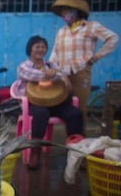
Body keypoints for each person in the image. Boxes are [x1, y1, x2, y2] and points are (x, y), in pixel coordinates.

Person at [49, 0, 119, 134]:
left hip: (81, 73)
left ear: (75, 11)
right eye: (62, 11)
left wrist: (97, 56)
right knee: (64, 109)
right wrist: (52, 70)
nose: (63, 14)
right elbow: (54, 54)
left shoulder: (90, 27)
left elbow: (113, 38)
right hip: (62, 76)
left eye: (66, 11)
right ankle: (68, 142)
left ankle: (79, 142)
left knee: (79, 109)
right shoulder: (61, 32)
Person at [11, 35, 83, 169]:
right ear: (30, 49)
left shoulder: (51, 65)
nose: (40, 49)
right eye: (37, 47)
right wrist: (59, 75)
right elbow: (34, 75)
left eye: (43, 47)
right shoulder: (23, 66)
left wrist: (61, 76)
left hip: (54, 102)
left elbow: (62, 76)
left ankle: (76, 152)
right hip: (34, 103)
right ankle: (35, 152)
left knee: (75, 113)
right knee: (41, 114)